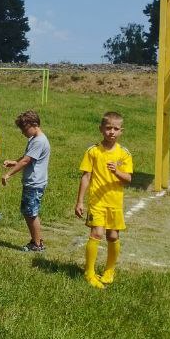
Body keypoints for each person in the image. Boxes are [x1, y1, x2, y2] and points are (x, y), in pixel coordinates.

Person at [74, 111, 133, 289]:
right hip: (97, 201)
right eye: (108, 128)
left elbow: (128, 178)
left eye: (115, 129)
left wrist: (117, 171)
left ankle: (109, 271)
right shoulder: (93, 151)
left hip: (115, 202)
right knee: (97, 234)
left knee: (113, 236)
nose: (111, 132)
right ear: (101, 129)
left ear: (121, 131)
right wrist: (80, 201)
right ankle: (89, 273)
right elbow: (86, 177)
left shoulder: (124, 154)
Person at [1, 110, 50, 252]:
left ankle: (37, 244)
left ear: (34, 124)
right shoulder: (35, 139)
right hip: (32, 182)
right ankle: (36, 240)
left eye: (24, 129)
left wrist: (8, 174)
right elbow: (27, 157)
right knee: (29, 212)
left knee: (31, 214)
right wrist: (14, 162)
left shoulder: (39, 141)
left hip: (34, 183)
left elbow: (26, 161)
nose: (22, 132)